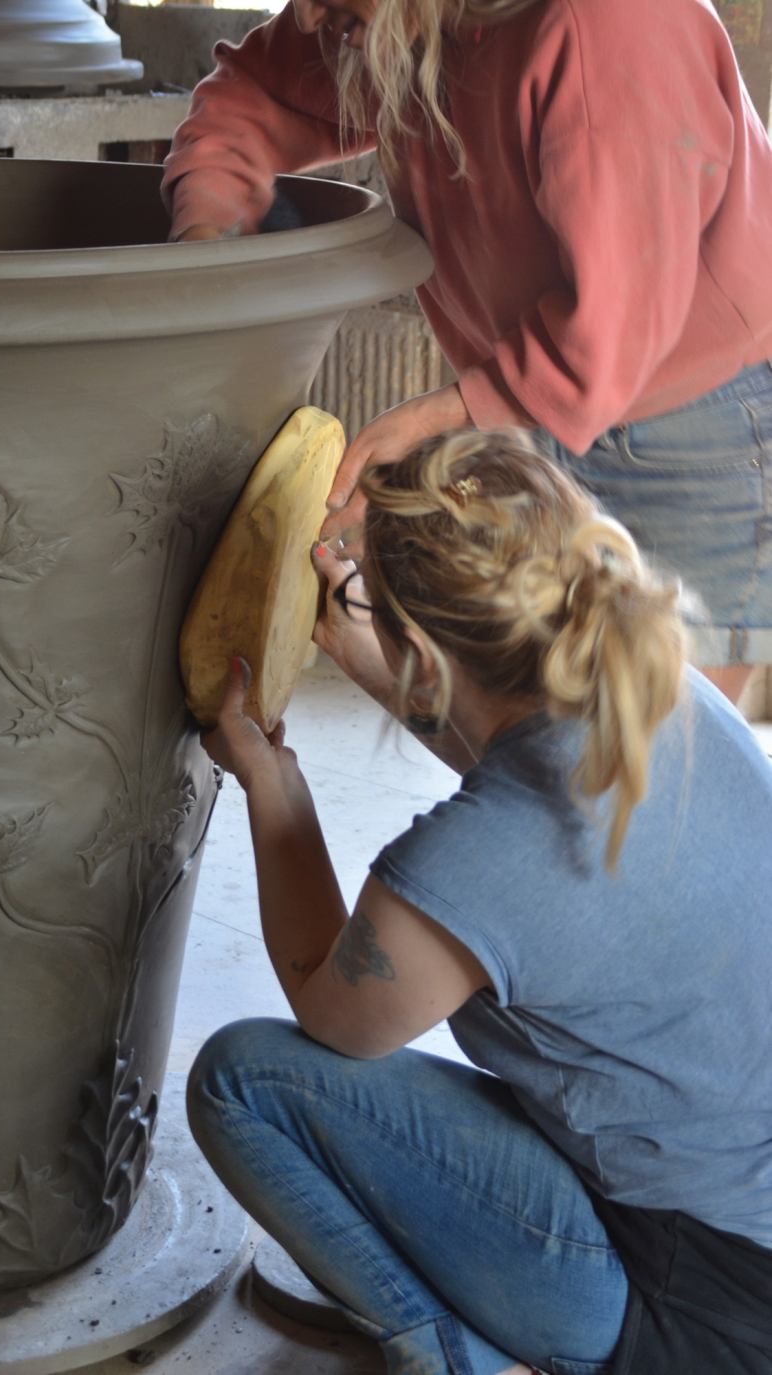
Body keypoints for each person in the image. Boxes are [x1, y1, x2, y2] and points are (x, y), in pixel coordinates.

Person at [188, 428, 772, 1375]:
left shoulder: (470, 861)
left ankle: (459, 1356)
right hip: (742, 1244)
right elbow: (511, 755)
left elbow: (334, 1012)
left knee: (243, 1079)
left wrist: (274, 785)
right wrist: (357, 638)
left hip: (681, 1305)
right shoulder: (662, 692)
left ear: (421, 647)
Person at [161, 0, 772, 704]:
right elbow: (257, 95)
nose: (304, 17)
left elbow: (622, 319)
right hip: (546, 404)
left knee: (659, 761)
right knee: (537, 735)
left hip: (697, 431)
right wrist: (204, 238)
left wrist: (450, 416)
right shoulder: (399, 18)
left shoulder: (608, 26)